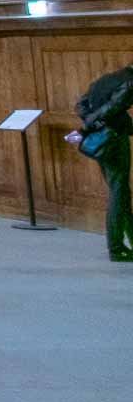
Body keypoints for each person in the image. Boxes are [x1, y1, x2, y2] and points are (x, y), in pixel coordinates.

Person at [66, 65, 133, 260]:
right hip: (113, 140)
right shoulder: (130, 82)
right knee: (119, 192)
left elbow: (81, 104)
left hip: (103, 139)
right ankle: (116, 248)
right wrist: (86, 128)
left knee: (120, 190)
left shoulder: (110, 77)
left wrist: (89, 124)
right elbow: (111, 109)